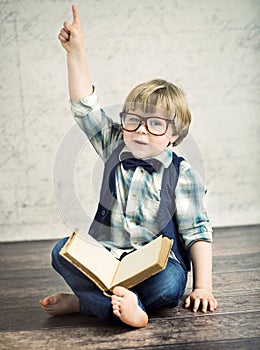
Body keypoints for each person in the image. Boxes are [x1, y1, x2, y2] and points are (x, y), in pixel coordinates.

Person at [39, 5, 217, 328]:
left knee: (170, 286)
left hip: (153, 266)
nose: (140, 129)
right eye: (133, 119)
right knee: (58, 252)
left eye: (155, 124)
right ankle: (112, 303)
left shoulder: (183, 175)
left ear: (175, 135)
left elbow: (197, 234)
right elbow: (85, 108)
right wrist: (76, 52)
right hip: (109, 257)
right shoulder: (113, 147)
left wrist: (203, 286)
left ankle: (91, 304)